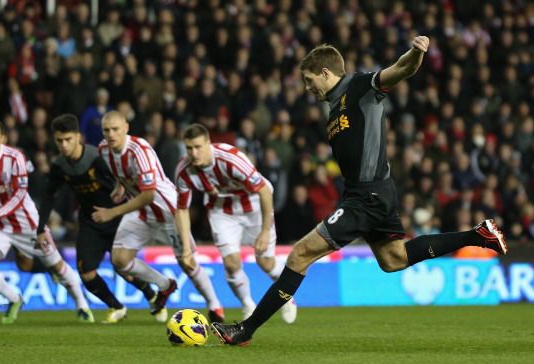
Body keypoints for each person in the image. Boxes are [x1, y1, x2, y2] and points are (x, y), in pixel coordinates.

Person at [211, 36, 508, 345]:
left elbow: (400, 70)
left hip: (367, 196)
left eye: (309, 80)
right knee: (393, 259)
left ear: (325, 73)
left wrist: (416, 53)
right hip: (372, 193)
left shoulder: (362, 87)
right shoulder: (333, 109)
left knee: (299, 255)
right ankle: (477, 236)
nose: (307, 88)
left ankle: (245, 330)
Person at [0, 118, 92, 324]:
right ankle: (14, 299)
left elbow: (19, 195)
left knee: (56, 266)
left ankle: (82, 305)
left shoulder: (15, 157)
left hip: (26, 223)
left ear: (3, 138)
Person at [92, 111, 225, 322]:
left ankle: (215, 306)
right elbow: (121, 172)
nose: (110, 134)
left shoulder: (139, 150)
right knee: (119, 260)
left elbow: (148, 195)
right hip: (141, 213)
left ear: (126, 127)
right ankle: (165, 285)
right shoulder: (104, 150)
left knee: (188, 263)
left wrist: (111, 212)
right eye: (106, 130)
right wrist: (119, 186)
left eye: (115, 129)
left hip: (168, 212)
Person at [35, 113, 164, 323]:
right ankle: (116, 307)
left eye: (68, 140)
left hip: (116, 218)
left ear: (79, 137)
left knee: (123, 267)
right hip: (90, 221)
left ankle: (151, 295)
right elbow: (49, 196)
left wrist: (119, 189)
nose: (64, 145)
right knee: (86, 272)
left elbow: (121, 178)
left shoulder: (97, 157)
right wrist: (40, 228)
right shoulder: (59, 166)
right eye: (59, 141)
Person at [175, 124, 297, 323]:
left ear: (208, 143)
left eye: (197, 147)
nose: (193, 153)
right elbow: (181, 208)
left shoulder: (231, 159)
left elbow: (264, 191)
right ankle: (248, 304)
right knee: (231, 265)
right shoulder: (184, 171)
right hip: (222, 211)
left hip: (255, 207)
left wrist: (265, 231)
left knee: (265, 262)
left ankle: (287, 295)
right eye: (189, 148)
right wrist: (186, 248)